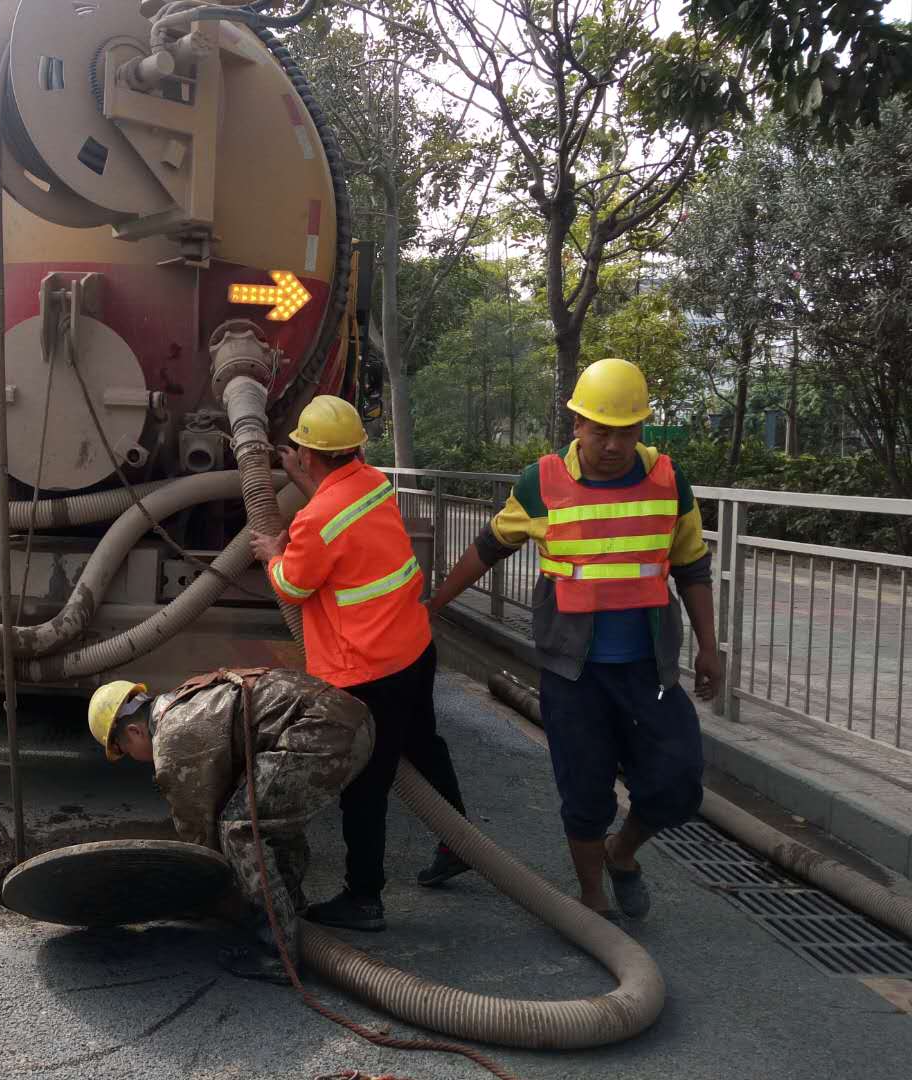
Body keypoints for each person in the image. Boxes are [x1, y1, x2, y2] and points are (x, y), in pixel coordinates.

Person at [425, 357, 724, 920]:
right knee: (584, 792)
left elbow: (692, 567)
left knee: (678, 784)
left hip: (648, 671)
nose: (613, 444)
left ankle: (622, 854)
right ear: (577, 425)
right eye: (601, 430)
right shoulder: (542, 482)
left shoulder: (668, 480)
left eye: (627, 431)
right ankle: (592, 899)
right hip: (573, 672)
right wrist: (436, 604)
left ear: (642, 430)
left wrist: (709, 646)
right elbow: (492, 544)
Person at [247, 394, 469, 935]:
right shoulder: (371, 483)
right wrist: (302, 479)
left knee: (364, 787)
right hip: (413, 649)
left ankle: (365, 898)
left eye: (298, 451)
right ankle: (457, 840)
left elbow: (294, 585)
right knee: (424, 746)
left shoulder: (316, 519)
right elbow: (335, 515)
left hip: (367, 672)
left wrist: (271, 553)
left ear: (307, 455)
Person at [87, 669, 373, 983]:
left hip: (324, 733)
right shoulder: (184, 698)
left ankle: (277, 953)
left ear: (134, 732)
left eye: (125, 751)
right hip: (352, 719)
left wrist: (200, 894)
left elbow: (199, 832)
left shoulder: (172, 737)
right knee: (268, 816)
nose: (134, 758)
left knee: (240, 828)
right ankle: (289, 909)